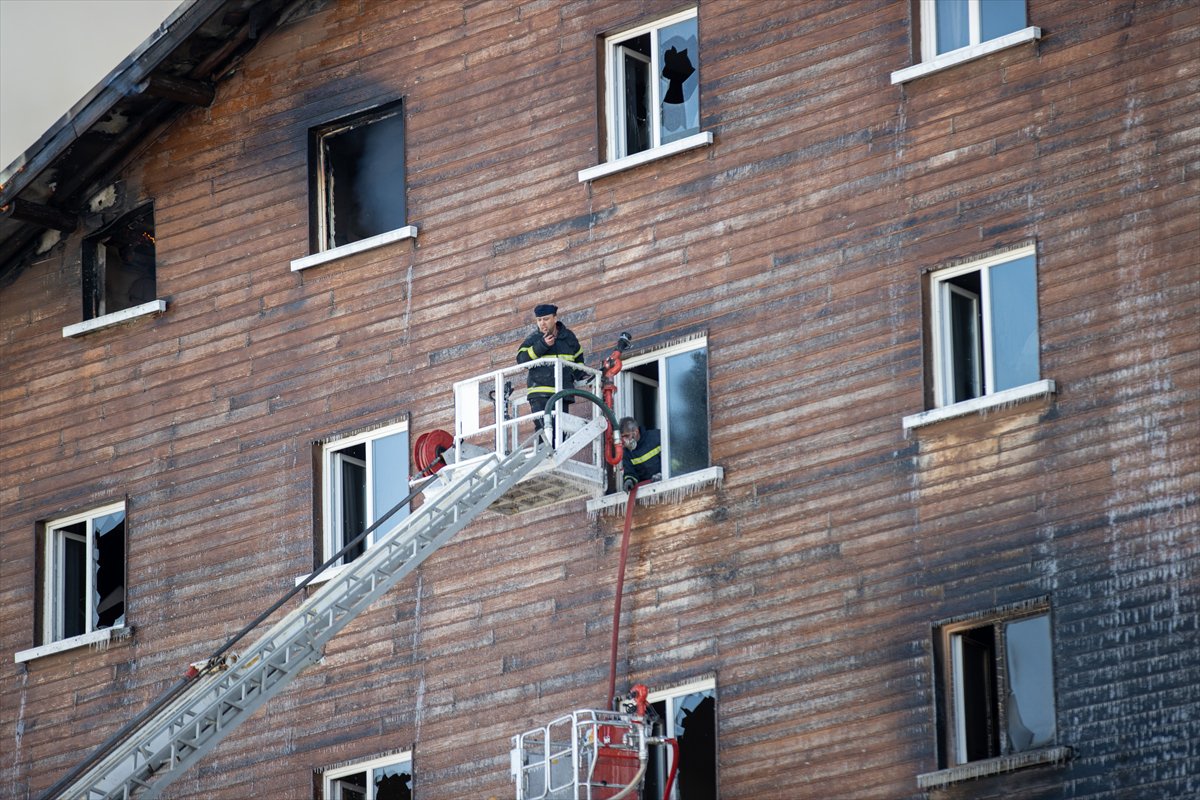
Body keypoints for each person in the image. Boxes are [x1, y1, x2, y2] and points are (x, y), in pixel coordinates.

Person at [516, 303, 585, 432]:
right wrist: (542, 345)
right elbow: (521, 359)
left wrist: (580, 375)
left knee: (560, 432)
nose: (542, 323)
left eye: (546, 319)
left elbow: (578, 358)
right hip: (540, 394)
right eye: (539, 320)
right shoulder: (534, 339)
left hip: (562, 393)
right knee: (545, 432)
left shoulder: (568, 337)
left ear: (555, 318)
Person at [619, 417, 661, 491]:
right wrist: (629, 481)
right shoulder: (627, 453)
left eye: (627, 436)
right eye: (622, 437)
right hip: (647, 491)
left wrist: (663, 474)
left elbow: (673, 458)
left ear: (636, 432)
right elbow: (630, 472)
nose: (624, 441)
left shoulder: (656, 437)